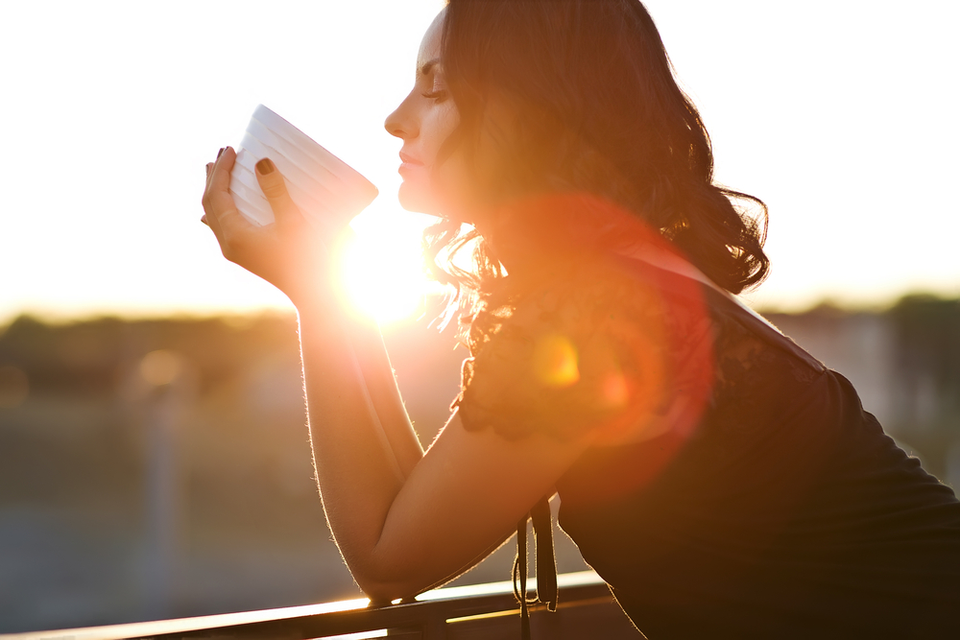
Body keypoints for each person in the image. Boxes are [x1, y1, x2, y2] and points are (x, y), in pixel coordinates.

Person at [201, 1, 960, 638]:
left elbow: (388, 558)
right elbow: (414, 509)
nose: (395, 119)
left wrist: (314, 292)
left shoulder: (597, 310)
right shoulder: (616, 280)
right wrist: (327, 286)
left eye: (435, 88)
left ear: (531, 110)